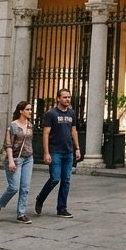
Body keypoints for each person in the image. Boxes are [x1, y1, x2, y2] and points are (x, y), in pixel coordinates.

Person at [34, 88, 80, 218]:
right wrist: (46, 153)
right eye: (65, 97)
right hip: (55, 152)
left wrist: (77, 148)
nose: (67, 99)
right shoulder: (51, 114)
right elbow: (46, 134)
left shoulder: (72, 113)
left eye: (69, 97)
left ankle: (62, 208)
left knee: (66, 181)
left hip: (68, 152)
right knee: (54, 179)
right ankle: (40, 198)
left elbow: (74, 131)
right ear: (58, 99)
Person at [0, 100, 34, 223]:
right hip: (15, 159)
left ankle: (21, 214)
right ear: (21, 111)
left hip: (28, 159)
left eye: (31, 109)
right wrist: (11, 161)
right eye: (27, 109)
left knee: (25, 188)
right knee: (14, 187)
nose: (30, 111)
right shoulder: (13, 126)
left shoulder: (30, 125)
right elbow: (8, 145)